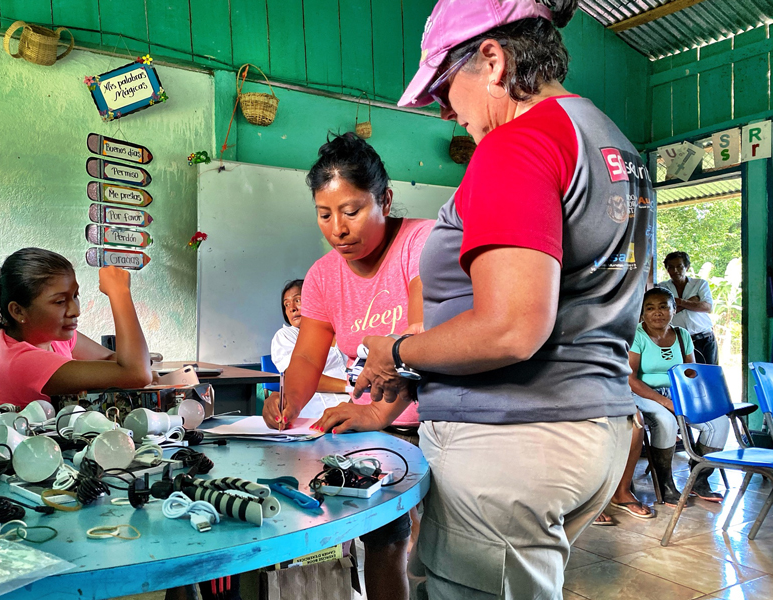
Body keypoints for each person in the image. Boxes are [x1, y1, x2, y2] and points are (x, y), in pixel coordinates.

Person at [343, 1, 655, 597]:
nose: (443, 109)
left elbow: (512, 328)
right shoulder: (612, 144)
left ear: (492, 60)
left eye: (443, 86)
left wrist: (397, 349)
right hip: (593, 426)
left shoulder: (516, 144)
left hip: (512, 443)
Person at [262, 132, 434, 600]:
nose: (337, 228)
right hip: (372, 434)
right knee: (385, 539)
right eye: (324, 214)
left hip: (431, 426)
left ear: (386, 200)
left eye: (352, 211)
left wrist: (380, 413)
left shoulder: (422, 243)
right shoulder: (322, 276)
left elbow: (421, 341)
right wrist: (286, 404)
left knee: (438, 554)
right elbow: (305, 359)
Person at [0, 247, 152, 409]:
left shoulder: (50, 337)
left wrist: (138, 367)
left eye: (75, 296)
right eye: (60, 302)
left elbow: (111, 359)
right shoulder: (21, 362)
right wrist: (119, 292)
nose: (75, 311)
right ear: (18, 311)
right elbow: (136, 374)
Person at [629, 287, 729, 504]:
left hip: (678, 394)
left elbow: (689, 372)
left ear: (674, 310)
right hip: (643, 394)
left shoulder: (682, 335)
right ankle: (665, 484)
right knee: (665, 421)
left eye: (664, 306)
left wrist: (701, 382)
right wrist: (665, 402)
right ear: (642, 313)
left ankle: (699, 480)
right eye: (650, 308)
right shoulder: (637, 335)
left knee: (719, 422)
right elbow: (631, 378)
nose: (658, 312)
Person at [271, 279, 350, 418]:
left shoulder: (344, 331)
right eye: (286, 304)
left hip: (356, 410)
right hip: (317, 414)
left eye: (298, 300)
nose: (292, 308)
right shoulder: (286, 336)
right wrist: (351, 388)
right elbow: (300, 378)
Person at [658, 251, 718, 365]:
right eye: (671, 267)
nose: (675, 271)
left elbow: (707, 307)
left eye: (679, 267)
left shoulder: (700, 284)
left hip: (704, 339)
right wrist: (692, 301)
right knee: (683, 375)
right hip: (677, 341)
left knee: (709, 376)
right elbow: (663, 312)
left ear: (687, 267)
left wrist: (678, 302)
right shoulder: (662, 287)